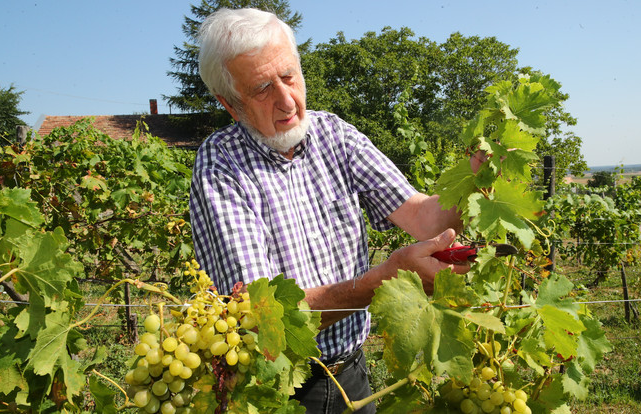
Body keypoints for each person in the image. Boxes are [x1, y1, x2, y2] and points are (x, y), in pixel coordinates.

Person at [189, 8, 472, 413]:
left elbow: (424, 217)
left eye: (289, 76)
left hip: (351, 378)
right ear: (231, 105)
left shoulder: (334, 135)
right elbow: (266, 320)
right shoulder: (220, 166)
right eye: (263, 88)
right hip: (276, 389)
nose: (288, 100)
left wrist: (474, 180)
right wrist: (382, 281)